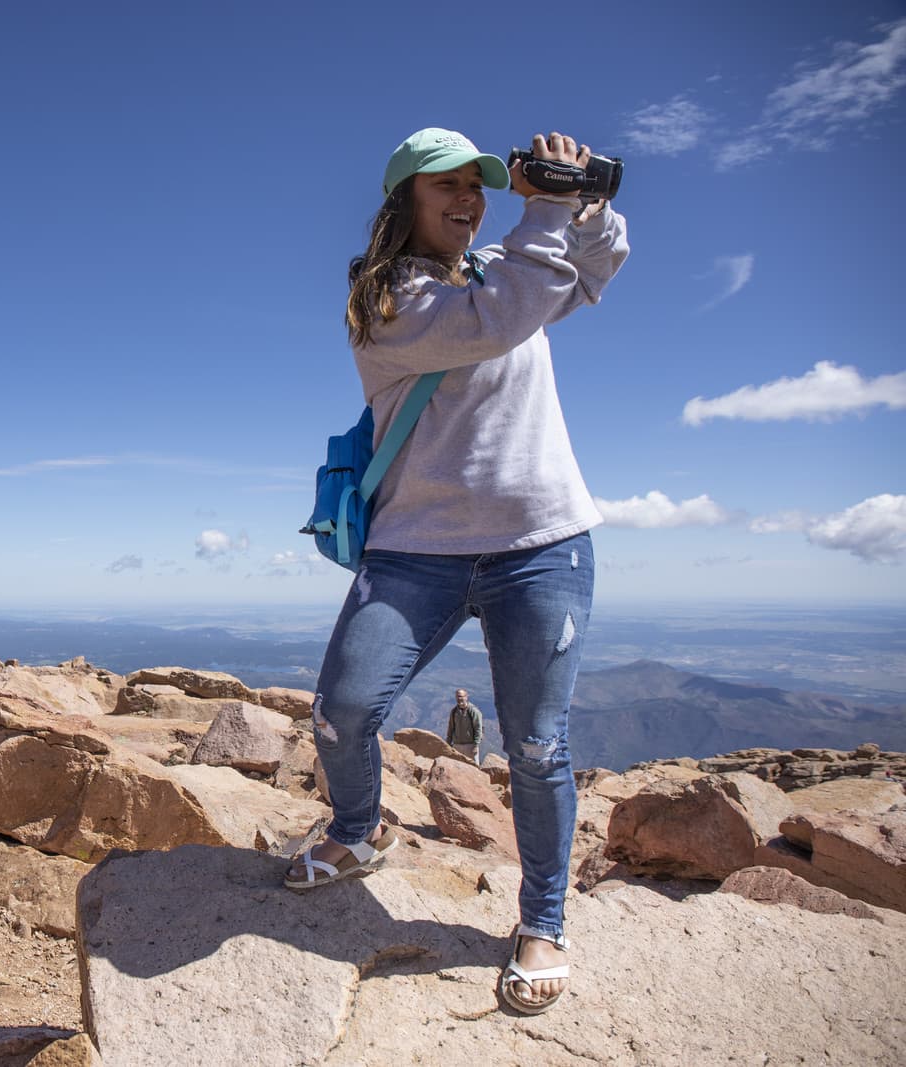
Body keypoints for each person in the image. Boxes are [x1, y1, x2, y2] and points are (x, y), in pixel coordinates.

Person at [284, 128, 628, 1017]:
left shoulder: (509, 272)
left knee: (538, 746)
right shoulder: (386, 301)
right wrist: (545, 212)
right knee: (343, 710)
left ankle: (542, 919)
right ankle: (359, 827)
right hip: (416, 550)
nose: (471, 200)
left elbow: (590, 270)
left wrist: (584, 202)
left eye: (480, 186)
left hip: (542, 542)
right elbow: (499, 318)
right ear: (405, 201)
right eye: (449, 186)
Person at [445, 688, 483, 764]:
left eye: (461, 696)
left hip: (470, 745)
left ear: (466, 697)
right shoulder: (454, 711)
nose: (459, 698)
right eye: (457, 696)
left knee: (473, 767)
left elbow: (478, 728)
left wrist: (476, 745)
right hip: (457, 745)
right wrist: (448, 743)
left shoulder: (473, 711)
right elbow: (451, 728)